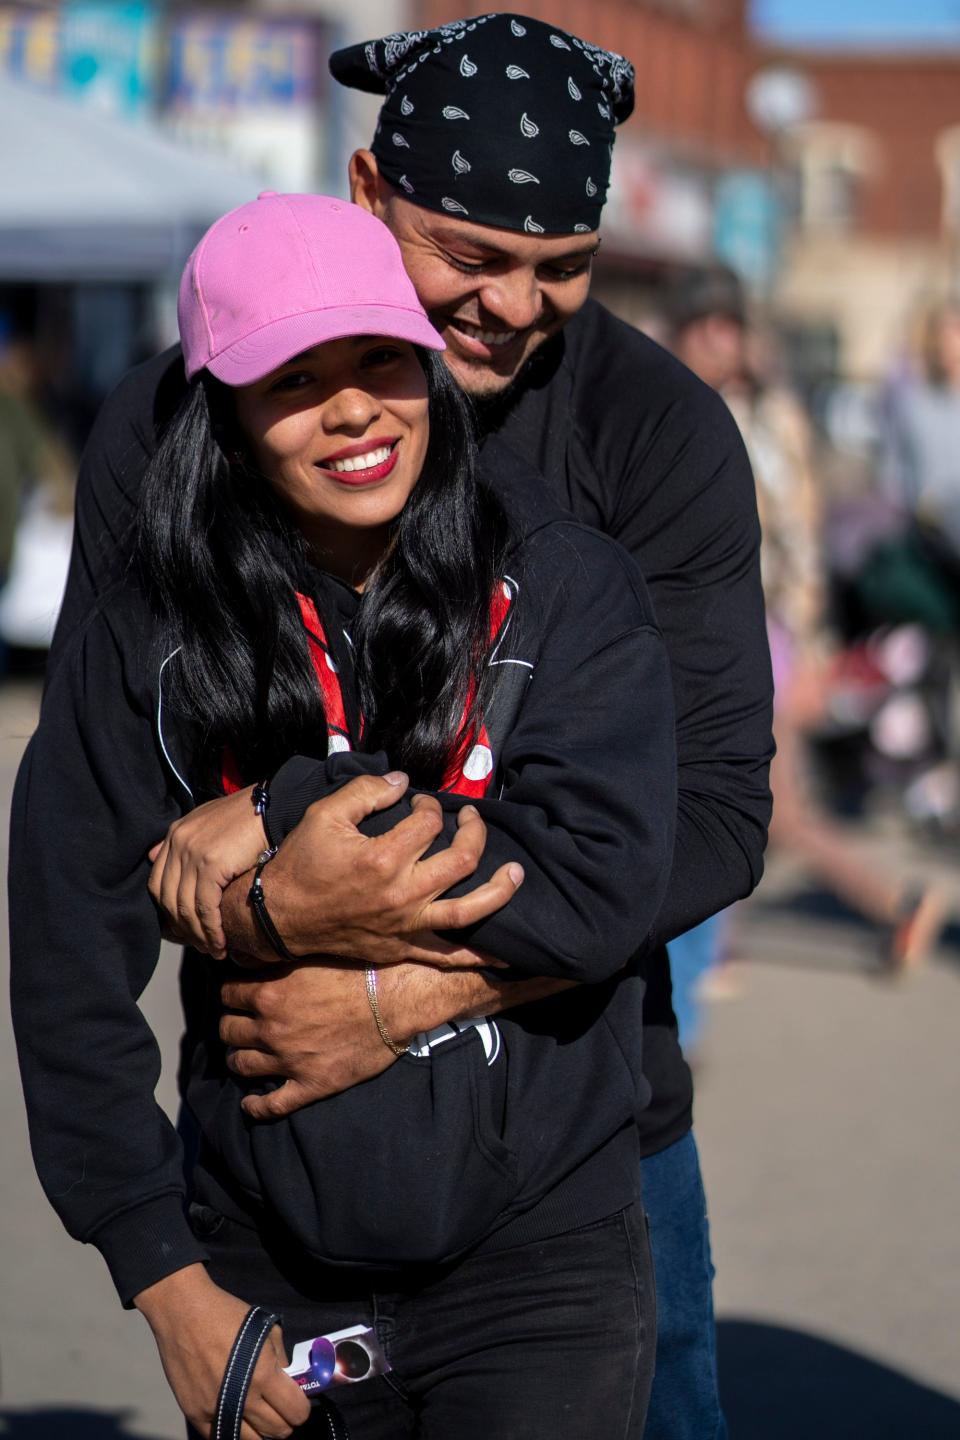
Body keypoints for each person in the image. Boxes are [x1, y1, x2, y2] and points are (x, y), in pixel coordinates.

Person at [46, 18, 774, 1437]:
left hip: (592, 1144)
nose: (515, 304)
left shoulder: (655, 437)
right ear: (371, 193)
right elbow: (83, 829)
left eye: (562, 267)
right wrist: (158, 1265)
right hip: (279, 1162)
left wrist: (392, 992)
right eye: (470, 256)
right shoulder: (185, 421)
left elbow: (714, 819)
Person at [669, 265, 945, 972]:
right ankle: (712, 946)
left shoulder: (775, 418)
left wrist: (813, 645)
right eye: (706, 327)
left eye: (729, 328)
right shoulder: (662, 404)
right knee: (741, 798)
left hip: (763, 633)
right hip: (698, 632)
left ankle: (895, 904)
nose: (719, 342)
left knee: (775, 808)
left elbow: (803, 539)